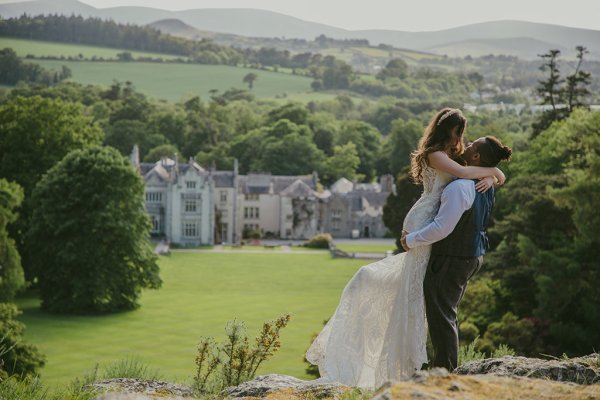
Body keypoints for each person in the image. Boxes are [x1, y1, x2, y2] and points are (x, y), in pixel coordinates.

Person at [305, 108, 506, 389]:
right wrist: (493, 172)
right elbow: (464, 171)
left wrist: (494, 174)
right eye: (460, 133)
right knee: (426, 299)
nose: (464, 140)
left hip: (445, 241)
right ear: (448, 130)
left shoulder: (461, 165)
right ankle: (421, 367)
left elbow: (472, 172)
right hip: (426, 224)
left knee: (428, 302)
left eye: (467, 138)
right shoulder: (439, 155)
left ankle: (425, 367)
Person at [400, 136, 512, 371]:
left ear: (476, 157)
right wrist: (493, 174)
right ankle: (443, 368)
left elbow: (442, 228)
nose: (467, 143)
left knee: (441, 316)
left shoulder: (460, 187)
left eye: (472, 145)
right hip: (470, 254)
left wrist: (411, 240)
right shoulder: (482, 182)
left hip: (453, 257)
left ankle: (445, 373)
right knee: (445, 313)